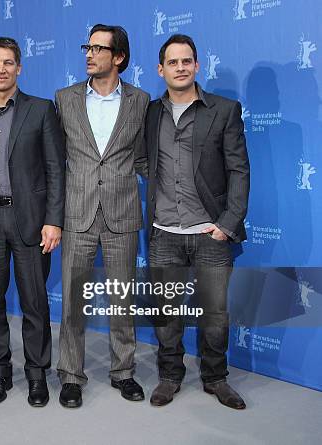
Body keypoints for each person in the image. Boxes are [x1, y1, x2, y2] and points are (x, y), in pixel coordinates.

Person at [144, 34, 250, 409]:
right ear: (161, 70)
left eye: (186, 61)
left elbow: (239, 170)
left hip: (210, 233)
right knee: (166, 315)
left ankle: (216, 378)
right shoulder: (149, 112)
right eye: (172, 62)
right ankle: (170, 376)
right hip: (163, 234)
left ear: (197, 66)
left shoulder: (224, 109)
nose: (180, 67)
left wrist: (227, 223)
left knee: (214, 316)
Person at [0, 37, 65, 407]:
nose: (1, 69)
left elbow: (55, 169)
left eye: (8, 63)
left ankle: (37, 375)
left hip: (32, 221)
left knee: (35, 301)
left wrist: (54, 221)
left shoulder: (40, 110)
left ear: (19, 68)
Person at [55, 24, 149, 408]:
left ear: (119, 57)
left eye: (98, 48)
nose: (89, 54)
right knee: (72, 302)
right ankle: (71, 375)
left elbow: (146, 158)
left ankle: (123, 371)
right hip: (76, 213)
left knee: (122, 300)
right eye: (86, 47)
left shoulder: (141, 102)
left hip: (122, 214)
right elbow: (54, 160)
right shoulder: (64, 99)